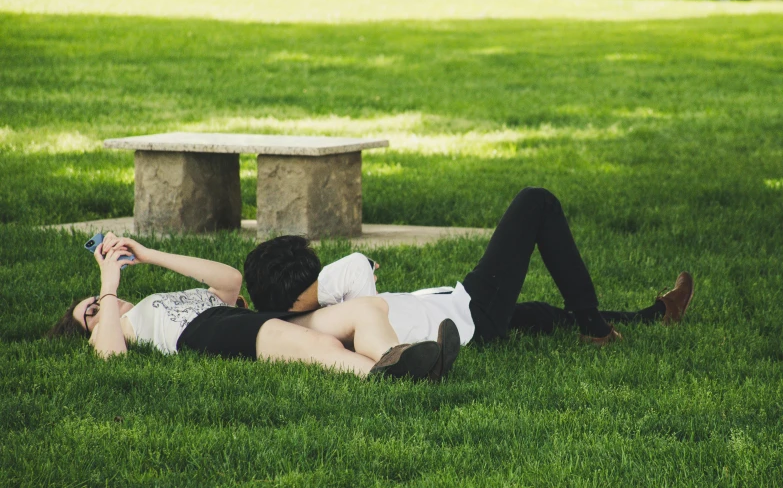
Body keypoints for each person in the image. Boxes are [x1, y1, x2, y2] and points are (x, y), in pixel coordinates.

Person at [243, 187, 695, 351]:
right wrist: (331, 284)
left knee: (541, 315)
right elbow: (357, 265)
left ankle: (656, 314)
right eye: (311, 279)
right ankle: (596, 329)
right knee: (535, 203)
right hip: (471, 313)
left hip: (457, 311)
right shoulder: (326, 306)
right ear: (295, 296)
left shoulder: (298, 320)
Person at [48, 233, 454, 381]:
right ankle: (390, 379)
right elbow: (112, 360)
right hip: (215, 333)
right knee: (321, 348)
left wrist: (148, 254)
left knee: (365, 310)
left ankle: (398, 361)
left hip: (246, 318)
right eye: (91, 312)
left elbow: (229, 281)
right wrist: (107, 285)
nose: (102, 307)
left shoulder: (152, 304)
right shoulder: (115, 330)